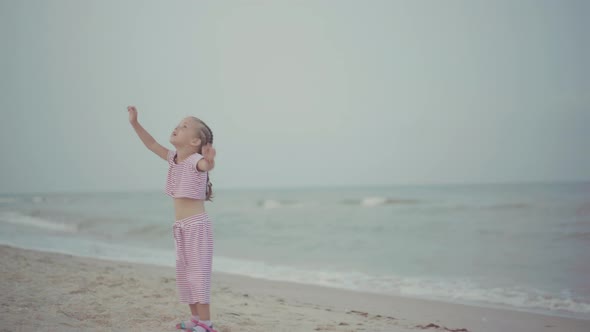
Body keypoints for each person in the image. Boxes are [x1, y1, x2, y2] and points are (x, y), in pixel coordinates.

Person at [127, 106, 218, 332]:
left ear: (195, 141)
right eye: (178, 124)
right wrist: (135, 123)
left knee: (198, 275)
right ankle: (195, 318)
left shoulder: (195, 160)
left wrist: (210, 161)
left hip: (197, 226)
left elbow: (206, 166)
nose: (177, 127)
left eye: (184, 126)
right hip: (180, 227)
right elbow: (151, 144)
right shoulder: (173, 158)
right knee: (185, 274)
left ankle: (207, 324)